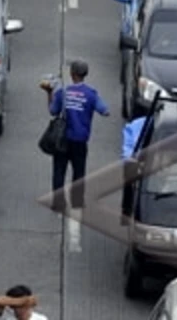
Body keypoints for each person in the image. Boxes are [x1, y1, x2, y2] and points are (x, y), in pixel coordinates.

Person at [42, 60, 109, 252]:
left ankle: (58, 204)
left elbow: (53, 111)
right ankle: (77, 202)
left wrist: (49, 94)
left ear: (72, 74)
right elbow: (105, 111)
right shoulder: (91, 94)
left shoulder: (63, 93)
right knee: (79, 173)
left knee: (59, 171)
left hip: (62, 140)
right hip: (80, 141)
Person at [120, 115, 147, 221]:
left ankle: (126, 212)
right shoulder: (137, 125)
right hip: (133, 158)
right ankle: (126, 211)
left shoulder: (135, 124)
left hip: (136, 158)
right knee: (130, 185)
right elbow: (128, 146)